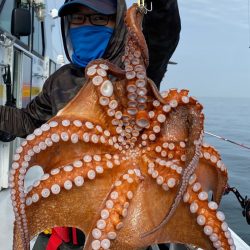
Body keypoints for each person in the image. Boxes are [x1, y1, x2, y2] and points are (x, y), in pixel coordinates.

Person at [0, 0, 181, 248]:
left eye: (98, 19)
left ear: (116, 23)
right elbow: (27, 121)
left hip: (124, 234)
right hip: (66, 232)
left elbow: (163, 32)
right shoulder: (61, 80)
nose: (85, 26)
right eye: (78, 19)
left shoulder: (136, 74)